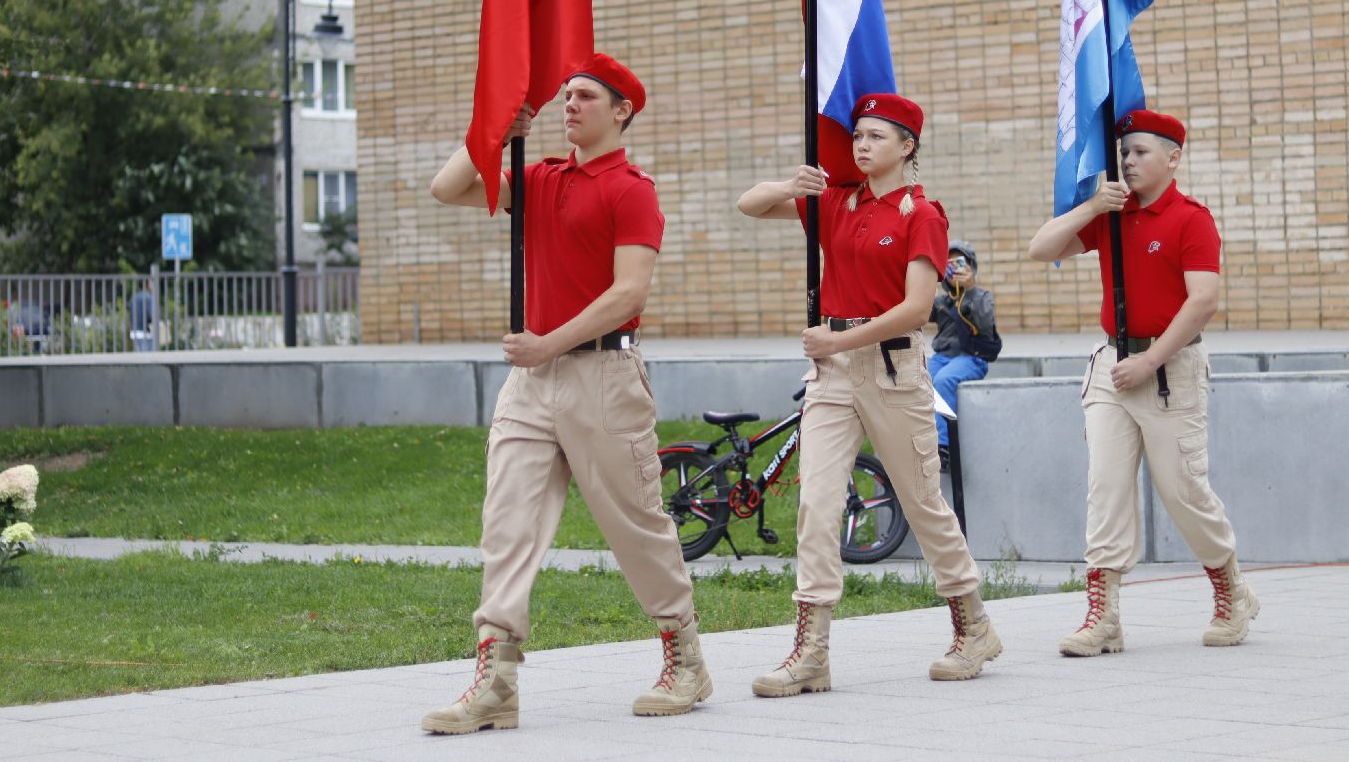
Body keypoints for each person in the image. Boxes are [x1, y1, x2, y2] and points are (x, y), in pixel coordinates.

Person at [421, 53, 710, 734]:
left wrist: (548, 343)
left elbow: (629, 293)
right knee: (508, 525)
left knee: (635, 523)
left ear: (621, 111)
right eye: (567, 95)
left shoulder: (631, 189)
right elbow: (447, 187)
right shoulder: (541, 175)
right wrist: (496, 129)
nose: (570, 105)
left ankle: (686, 659)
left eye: (585, 96)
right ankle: (496, 683)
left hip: (604, 377)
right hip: (531, 383)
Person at [737, 93, 1003, 695]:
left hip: (893, 370)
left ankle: (974, 627)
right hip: (831, 375)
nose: (861, 145)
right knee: (816, 505)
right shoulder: (835, 201)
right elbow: (749, 205)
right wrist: (792, 182)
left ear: (907, 146)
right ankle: (811, 654)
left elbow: (915, 309)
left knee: (922, 503)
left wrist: (842, 341)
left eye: (876, 136)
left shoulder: (922, 213)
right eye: (857, 135)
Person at [1028, 108, 1258, 656]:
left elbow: (1203, 302)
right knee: (1105, 490)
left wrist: (1151, 361)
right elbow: (1041, 249)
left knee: (1183, 490)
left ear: (1173, 158)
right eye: (1124, 153)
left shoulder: (1191, 219)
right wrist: (1091, 205)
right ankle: (1103, 617)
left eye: (1140, 153)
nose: (1128, 162)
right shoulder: (1113, 214)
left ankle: (1232, 592)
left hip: (1167, 371)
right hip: (1111, 368)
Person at [928, 239, 998, 465]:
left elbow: (986, 325)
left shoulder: (981, 296)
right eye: (948, 264)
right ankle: (922, 440)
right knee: (921, 379)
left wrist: (970, 291)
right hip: (942, 356)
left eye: (959, 263)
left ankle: (944, 445)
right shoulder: (940, 301)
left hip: (970, 357)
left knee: (944, 381)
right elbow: (918, 312)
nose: (954, 268)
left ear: (970, 267)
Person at [128, 278, 156, 353]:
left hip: (134, 331)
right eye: (151, 283)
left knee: (140, 357)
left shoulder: (134, 297)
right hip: (145, 333)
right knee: (148, 359)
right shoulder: (149, 298)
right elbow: (153, 316)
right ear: (147, 285)